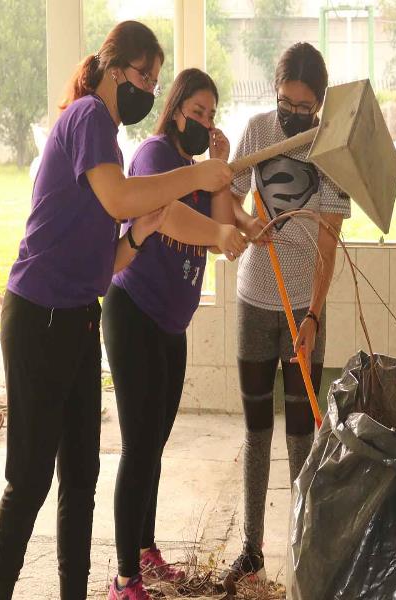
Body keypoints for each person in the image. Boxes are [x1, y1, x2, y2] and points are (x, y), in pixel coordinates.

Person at [0, 21, 236, 600]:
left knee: (81, 477)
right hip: (36, 317)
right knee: (29, 479)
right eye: (144, 76)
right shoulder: (88, 118)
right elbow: (121, 198)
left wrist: (144, 232)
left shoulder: (108, 142)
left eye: (154, 79)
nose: (148, 89)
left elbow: (111, 261)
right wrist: (195, 176)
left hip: (78, 318)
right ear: (113, 67)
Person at [102, 68, 246, 600]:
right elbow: (166, 218)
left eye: (212, 116)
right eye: (198, 112)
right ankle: (124, 579)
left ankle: (144, 551)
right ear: (177, 109)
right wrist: (222, 232)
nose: (204, 123)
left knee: (154, 445)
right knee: (139, 446)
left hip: (170, 325)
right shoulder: (156, 158)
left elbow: (227, 218)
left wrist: (223, 173)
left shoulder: (195, 168)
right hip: (133, 313)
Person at [222, 42, 351, 586]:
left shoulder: (332, 147)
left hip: (302, 306)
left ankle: (302, 548)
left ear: (319, 104)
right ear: (275, 91)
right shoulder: (256, 130)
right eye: (286, 101)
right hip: (255, 296)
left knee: (302, 432)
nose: (294, 112)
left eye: (305, 106)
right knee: (256, 430)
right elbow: (225, 196)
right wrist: (246, 224)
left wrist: (314, 316)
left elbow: (329, 239)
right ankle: (251, 549)